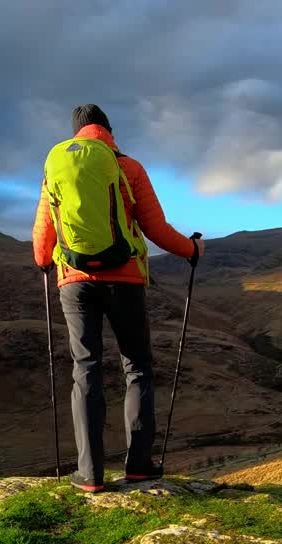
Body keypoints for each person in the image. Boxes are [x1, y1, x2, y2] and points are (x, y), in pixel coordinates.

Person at [33, 103, 205, 493]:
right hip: (124, 279)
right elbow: (156, 228)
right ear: (108, 131)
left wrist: (47, 261)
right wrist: (192, 251)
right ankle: (140, 465)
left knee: (86, 367)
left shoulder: (54, 168)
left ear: (75, 132)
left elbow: (43, 241)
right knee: (137, 367)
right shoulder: (128, 167)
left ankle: (89, 474)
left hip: (74, 282)